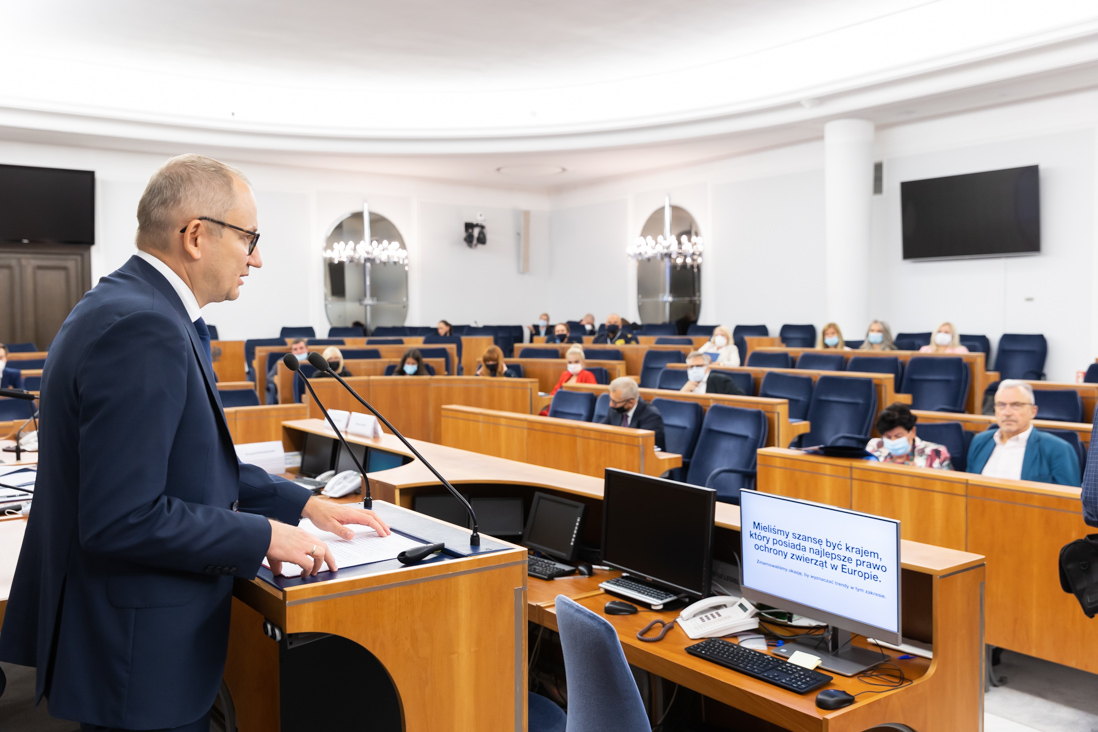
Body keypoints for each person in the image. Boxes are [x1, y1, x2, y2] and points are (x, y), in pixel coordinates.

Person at [0, 155, 391, 732]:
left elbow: (190, 463)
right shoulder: (145, 327)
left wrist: (301, 503)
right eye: (249, 238)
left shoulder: (129, 304)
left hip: (126, 640)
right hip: (137, 657)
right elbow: (122, 518)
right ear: (196, 236)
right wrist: (264, 535)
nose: (256, 258)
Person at [967, 380, 1080, 486]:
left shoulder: (1058, 449)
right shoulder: (980, 441)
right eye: (1001, 405)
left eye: (1016, 405)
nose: (1007, 412)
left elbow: (1068, 497)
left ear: (1033, 411)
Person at [865, 403, 953, 469]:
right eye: (888, 437)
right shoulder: (873, 448)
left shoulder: (937, 453)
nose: (892, 441)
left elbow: (951, 486)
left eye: (898, 436)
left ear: (912, 432)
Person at [597, 376, 665, 450]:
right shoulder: (614, 411)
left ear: (630, 402)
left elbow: (644, 447)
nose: (611, 405)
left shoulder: (651, 417)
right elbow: (600, 432)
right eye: (610, 399)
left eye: (615, 402)